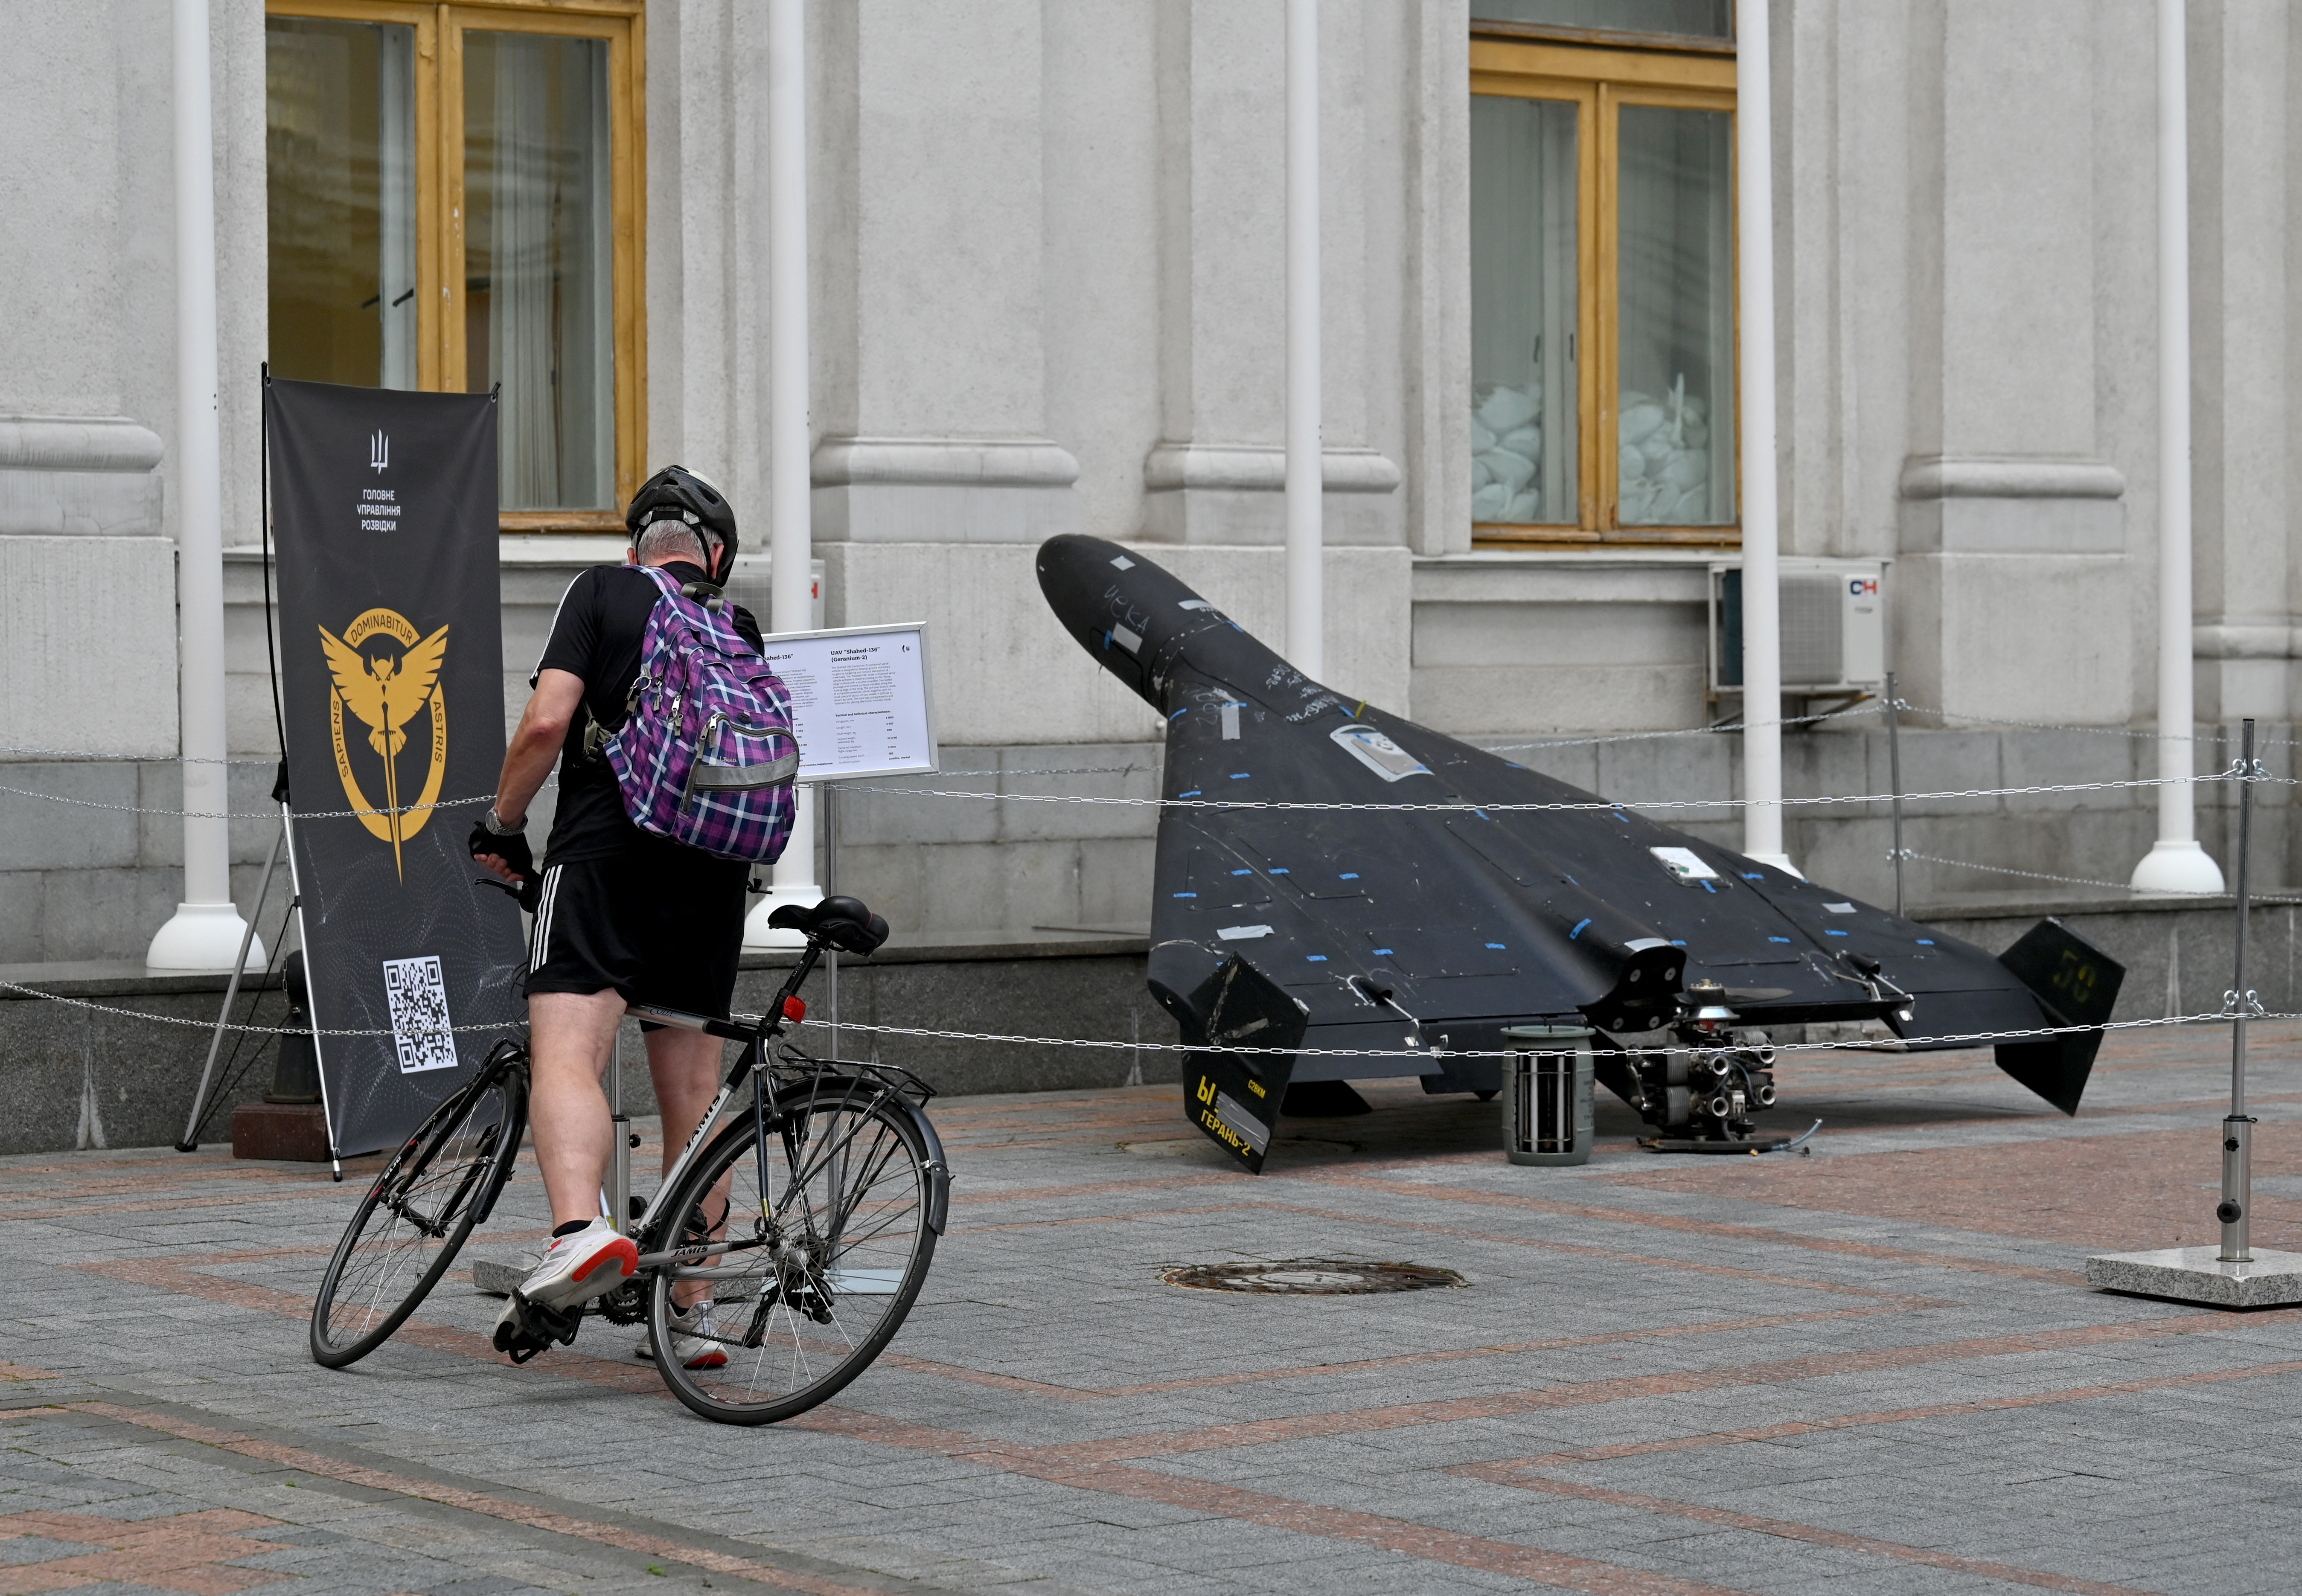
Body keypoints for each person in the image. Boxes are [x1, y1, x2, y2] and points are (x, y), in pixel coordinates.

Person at [469, 464, 758, 1370]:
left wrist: (503, 822)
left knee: (567, 1052)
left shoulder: (600, 591)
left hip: (603, 856)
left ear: (637, 545)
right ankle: (696, 1308)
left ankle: (579, 1231)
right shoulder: (735, 624)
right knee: (694, 1098)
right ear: (713, 553)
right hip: (710, 872)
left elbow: (548, 724)